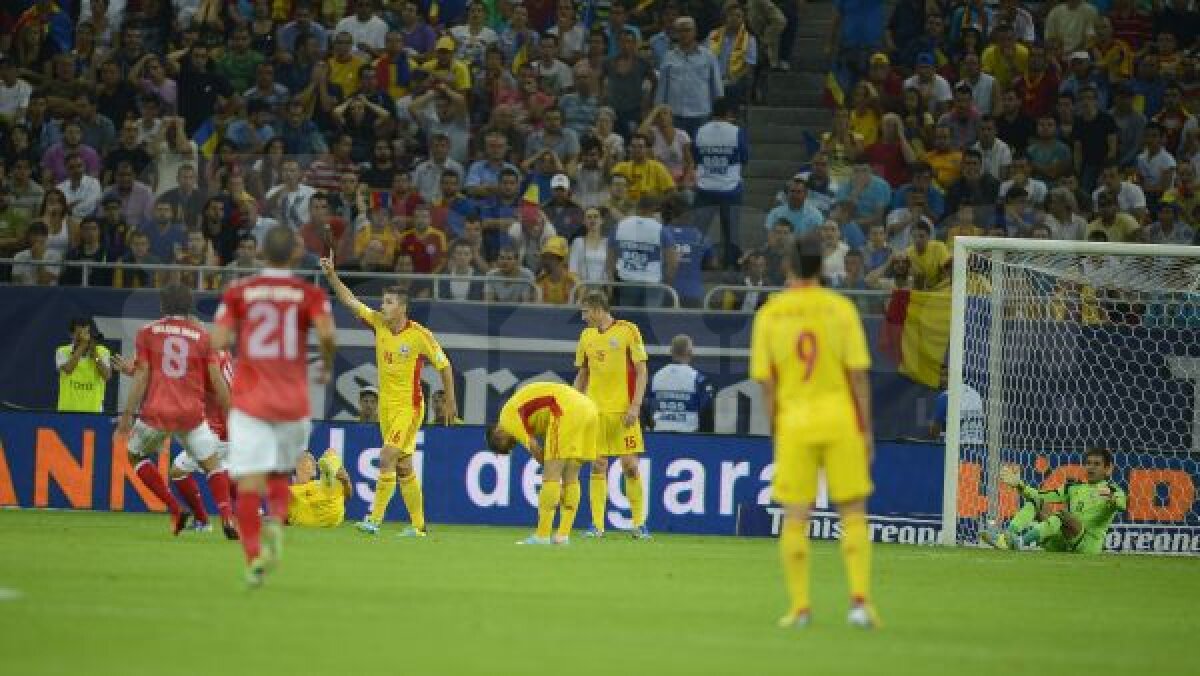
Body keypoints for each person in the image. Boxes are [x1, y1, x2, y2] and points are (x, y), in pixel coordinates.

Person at [750, 236, 878, 629]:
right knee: (852, 511)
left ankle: (801, 608)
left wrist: (777, 431)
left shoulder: (771, 314)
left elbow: (766, 384)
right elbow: (858, 377)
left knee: (796, 514)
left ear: (787, 266)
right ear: (822, 267)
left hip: (795, 423)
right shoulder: (841, 309)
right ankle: (859, 604)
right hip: (840, 420)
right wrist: (866, 431)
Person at [212, 227, 337, 588]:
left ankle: (253, 558)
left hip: (250, 401)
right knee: (281, 473)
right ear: (295, 255)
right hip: (292, 401)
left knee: (250, 482)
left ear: (262, 254)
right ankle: (277, 520)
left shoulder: (239, 292)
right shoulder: (309, 294)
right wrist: (326, 365)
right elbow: (327, 335)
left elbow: (218, 340)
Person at [320, 257, 457, 537]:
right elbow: (350, 301)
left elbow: (444, 366)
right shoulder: (379, 324)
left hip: (409, 407)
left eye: (389, 302)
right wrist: (332, 275)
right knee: (403, 466)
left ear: (402, 308)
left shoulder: (420, 336)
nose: (382, 306)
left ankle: (374, 519)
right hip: (386, 407)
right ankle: (419, 526)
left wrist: (451, 401)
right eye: (383, 301)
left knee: (386, 456)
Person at [116, 285, 234, 538]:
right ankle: (227, 518)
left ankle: (175, 508)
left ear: (162, 305)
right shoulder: (203, 337)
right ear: (189, 306)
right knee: (213, 466)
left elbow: (143, 375)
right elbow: (217, 381)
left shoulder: (148, 332)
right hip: (192, 414)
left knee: (135, 456)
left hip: (158, 412)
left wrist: (127, 415)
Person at [574, 291, 651, 539]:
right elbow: (583, 374)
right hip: (595, 411)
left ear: (598, 309)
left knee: (630, 466)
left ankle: (639, 524)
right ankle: (597, 526)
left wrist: (635, 406)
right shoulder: (586, 336)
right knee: (598, 465)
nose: (583, 317)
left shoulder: (628, 330)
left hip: (623, 412)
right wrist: (573, 404)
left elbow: (642, 371)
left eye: (585, 312)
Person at [486, 381, 599, 545]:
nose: (513, 445)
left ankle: (542, 535)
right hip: (589, 408)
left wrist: (553, 478)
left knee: (550, 476)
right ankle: (562, 536)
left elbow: (536, 449)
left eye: (507, 445)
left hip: (566, 410)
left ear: (497, 433)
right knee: (571, 476)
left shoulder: (507, 419)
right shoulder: (521, 413)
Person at [983, 448, 1127, 554]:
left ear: (1108, 469)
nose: (1091, 467)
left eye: (1096, 464)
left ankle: (1020, 542)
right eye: (1088, 463)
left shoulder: (1113, 490)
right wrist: (1019, 485)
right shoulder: (1073, 487)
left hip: (1087, 546)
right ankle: (1006, 538)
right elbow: (1041, 495)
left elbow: (1122, 505)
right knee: (1035, 503)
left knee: (1063, 515)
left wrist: (1113, 499)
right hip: (1062, 543)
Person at [693, 97, 748, 269]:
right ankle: (730, 264)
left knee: (698, 229)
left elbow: (696, 157)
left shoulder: (700, 131)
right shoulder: (736, 131)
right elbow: (745, 157)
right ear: (729, 113)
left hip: (704, 188)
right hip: (730, 189)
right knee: (731, 230)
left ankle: (695, 262)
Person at [648, 335, 714, 433]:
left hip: (659, 435)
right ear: (690, 352)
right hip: (689, 436)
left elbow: (646, 407)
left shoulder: (655, 377)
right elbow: (706, 412)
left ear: (671, 351)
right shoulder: (698, 379)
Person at [56, 317, 112, 413]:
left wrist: (94, 354)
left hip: (94, 412)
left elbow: (106, 375)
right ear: (71, 335)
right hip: (67, 412)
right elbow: (69, 369)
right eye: (79, 334)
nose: (84, 337)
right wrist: (83, 345)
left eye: (87, 333)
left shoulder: (102, 352)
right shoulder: (62, 351)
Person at [289, 450, 353, 528]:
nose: (305, 470)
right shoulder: (291, 488)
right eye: (302, 468)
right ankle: (330, 471)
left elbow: (348, 495)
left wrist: (345, 481)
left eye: (308, 468)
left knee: (330, 452)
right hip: (307, 516)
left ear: (314, 472)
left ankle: (331, 469)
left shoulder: (317, 484)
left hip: (329, 510)